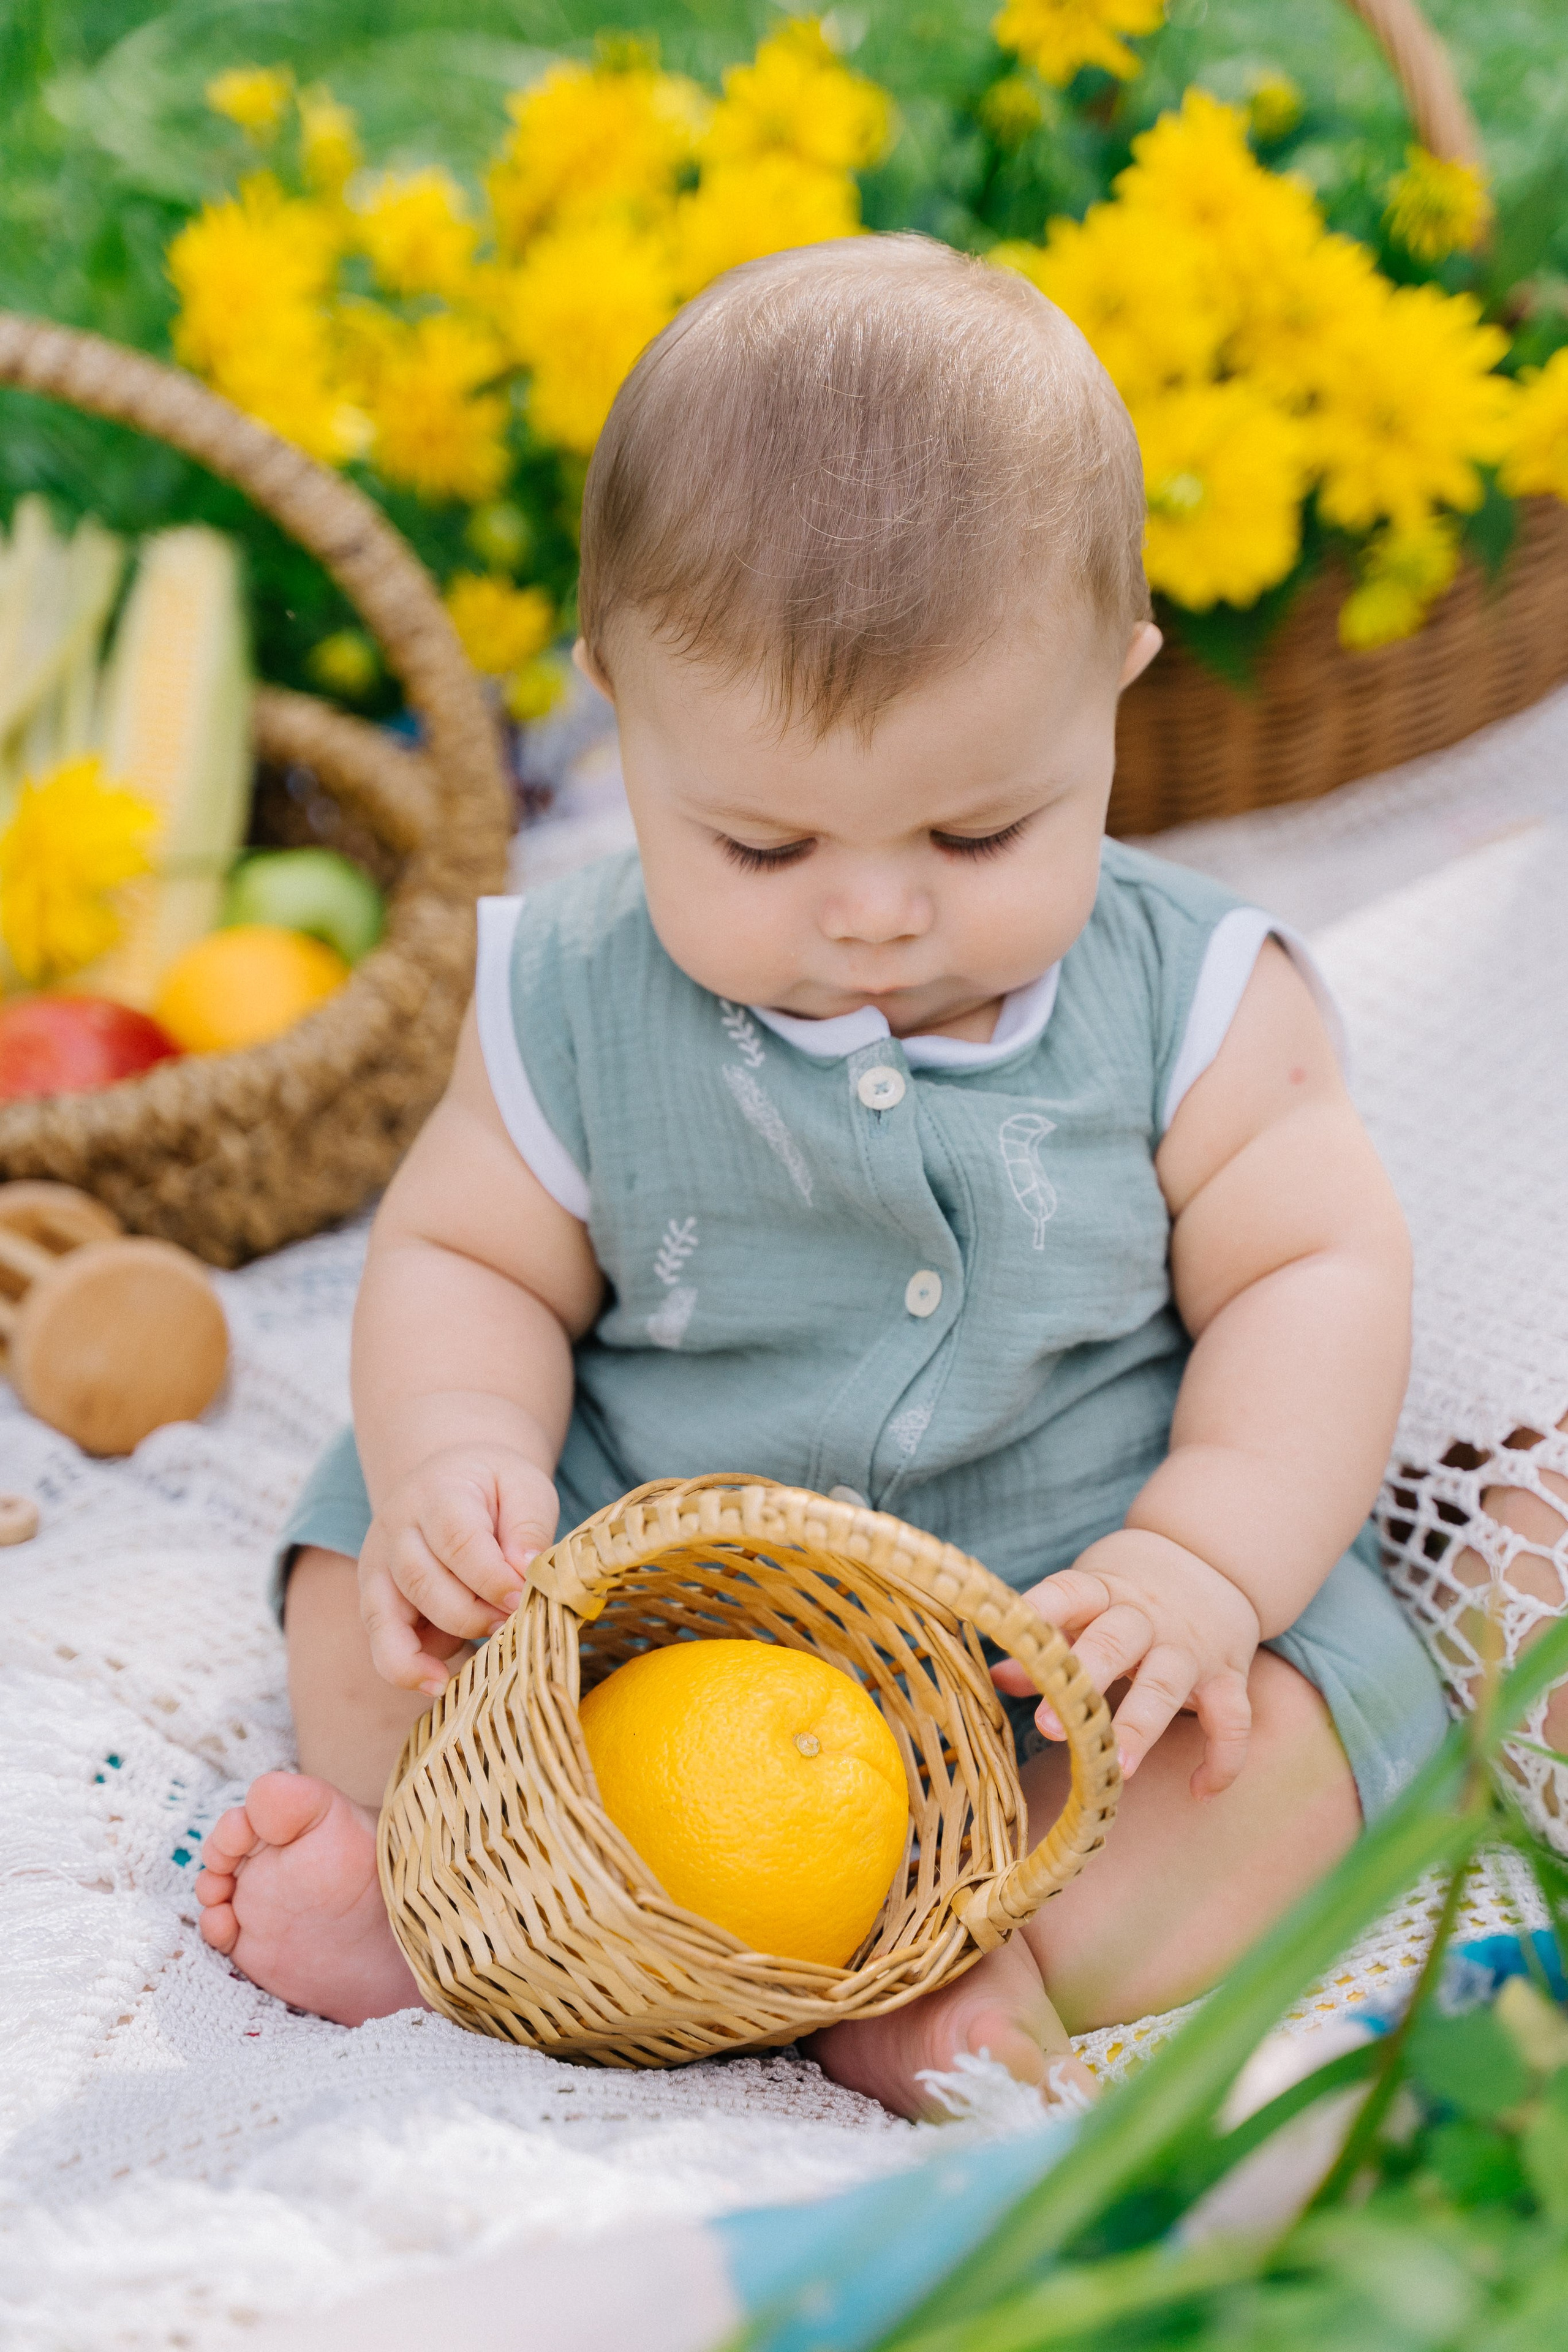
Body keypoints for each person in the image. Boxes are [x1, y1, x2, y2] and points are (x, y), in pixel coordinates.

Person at [195, 236, 1447, 2118]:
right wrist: (462, 1458)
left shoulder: (1200, 1002)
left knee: (1284, 1746)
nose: (874, 912)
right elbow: (469, 1253)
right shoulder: (566, 990)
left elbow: (1316, 1280)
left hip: (1067, 1609)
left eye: (979, 826)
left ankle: (974, 1954)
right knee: (367, 1601)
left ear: (1116, 685)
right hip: (636, 1583)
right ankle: (465, 1899)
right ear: (615, 708)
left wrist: (1207, 1556)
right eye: (763, 844)